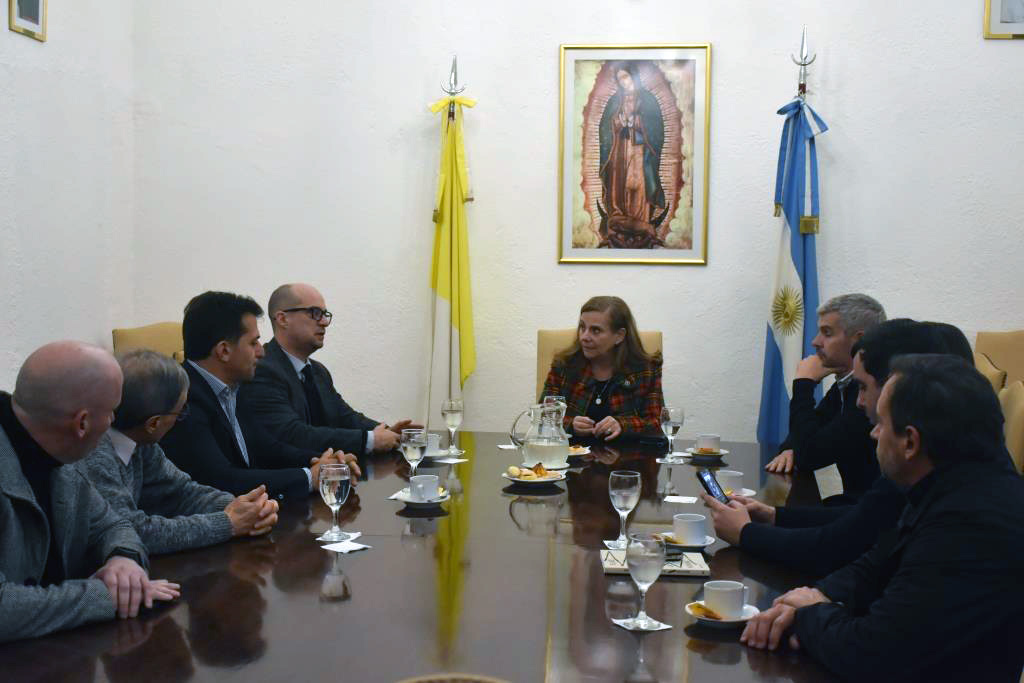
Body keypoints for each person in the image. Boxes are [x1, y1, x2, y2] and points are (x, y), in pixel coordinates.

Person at [741, 355, 1024, 682]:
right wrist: (813, 597)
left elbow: (870, 651)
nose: (873, 433)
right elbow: (874, 565)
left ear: (910, 442)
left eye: (881, 424)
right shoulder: (944, 481)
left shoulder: (971, 523)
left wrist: (810, 613)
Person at [703, 319, 972, 577]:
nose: (860, 401)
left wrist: (746, 533)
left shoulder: (932, 474)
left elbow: (833, 547)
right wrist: (773, 516)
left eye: (864, 387)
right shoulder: (942, 457)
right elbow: (859, 520)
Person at [0, 341, 179, 642]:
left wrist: (123, 560)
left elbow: (114, 524)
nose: (113, 423)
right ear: (82, 423)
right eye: (112, 412)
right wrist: (108, 596)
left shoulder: (58, 450)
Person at [77, 350, 280, 556]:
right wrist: (227, 523)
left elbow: (181, 492)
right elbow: (131, 531)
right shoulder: (95, 456)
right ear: (154, 423)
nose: (181, 418)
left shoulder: (142, 442)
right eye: (181, 411)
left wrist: (246, 508)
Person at [160, 291, 358, 501]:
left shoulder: (233, 387)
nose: (261, 352)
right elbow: (221, 480)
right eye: (253, 343)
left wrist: (321, 462)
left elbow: (267, 447)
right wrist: (310, 477)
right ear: (224, 351)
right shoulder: (183, 400)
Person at [240, 283, 419, 456]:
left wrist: (387, 433)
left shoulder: (318, 371)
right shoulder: (262, 370)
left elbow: (345, 417)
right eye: (315, 313)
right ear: (283, 319)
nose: (325, 322)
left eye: (325, 314)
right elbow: (292, 434)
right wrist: (369, 440)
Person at [765, 293, 886, 499]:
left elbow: (810, 455)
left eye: (827, 333)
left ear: (859, 340)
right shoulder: (847, 384)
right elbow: (807, 432)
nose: (815, 342)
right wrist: (790, 448)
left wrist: (804, 383)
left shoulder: (869, 395)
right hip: (857, 505)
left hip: (875, 516)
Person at [542, 296, 663, 441]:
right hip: (572, 458)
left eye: (596, 330)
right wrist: (570, 424)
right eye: (582, 327)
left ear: (619, 335)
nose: (584, 337)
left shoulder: (646, 370)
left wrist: (622, 425)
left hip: (628, 459)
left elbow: (658, 423)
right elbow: (542, 417)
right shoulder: (564, 366)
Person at [598, 62, 666, 249]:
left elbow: (656, 128)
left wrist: (637, 122)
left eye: (626, 77)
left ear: (633, 75)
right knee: (619, 184)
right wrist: (617, 124)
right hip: (619, 150)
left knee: (638, 184)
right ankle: (619, 218)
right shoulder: (614, 101)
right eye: (620, 79)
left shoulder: (648, 100)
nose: (624, 82)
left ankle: (639, 220)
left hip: (640, 151)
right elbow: (605, 128)